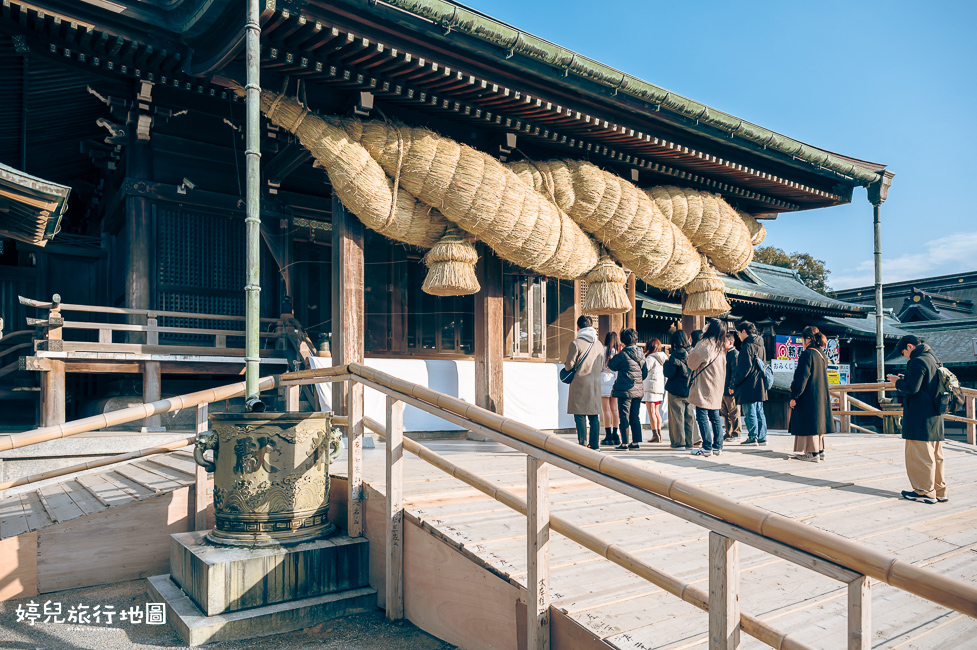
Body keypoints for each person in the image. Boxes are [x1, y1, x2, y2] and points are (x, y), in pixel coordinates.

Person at [887, 335, 948, 504]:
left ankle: (924, 491)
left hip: (919, 417)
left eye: (904, 352)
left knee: (920, 456)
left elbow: (912, 389)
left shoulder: (916, 361)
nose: (905, 355)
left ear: (910, 346)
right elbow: (925, 385)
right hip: (934, 415)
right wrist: (906, 378)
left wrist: (896, 381)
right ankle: (940, 490)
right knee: (936, 456)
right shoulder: (933, 358)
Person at [788, 326, 834, 462]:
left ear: (808, 338)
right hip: (820, 395)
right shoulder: (821, 354)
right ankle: (820, 450)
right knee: (817, 422)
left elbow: (801, 378)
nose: (802, 341)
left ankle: (812, 453)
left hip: (808, 395)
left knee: (809, 423)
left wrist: (794, 396)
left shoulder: (807, 354)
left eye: (802, 338)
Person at [687, 319, 728, 457]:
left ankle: (706, 447)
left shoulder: (705, 344)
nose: (706, 326)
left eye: (708, 324)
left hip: (705, 384)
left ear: (711, 328)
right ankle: (718, 446)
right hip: (717, 385)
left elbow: (691, 363)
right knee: (715, 416)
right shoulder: (720, 346)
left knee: (702, 415)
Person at [564, 315, 605, 450]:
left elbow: (569, 365)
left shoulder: (576, 343)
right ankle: (594, 444)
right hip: (595, 384)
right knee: (594, 415)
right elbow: (603, 365)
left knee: (580, 414)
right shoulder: (598, 344)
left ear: (578, 327)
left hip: (580, 383)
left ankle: (582, 443)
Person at [607, 328, 647, 451]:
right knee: (635, 415)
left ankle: (624, 443)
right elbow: (644, 373)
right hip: (638, 389)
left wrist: (617, 353)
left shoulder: (623, 354)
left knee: (624, 415)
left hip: (625, 389)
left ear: (623, 340)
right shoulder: (642, 354)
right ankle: (635, 442)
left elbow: (611, 365)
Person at [733, 320, 768, 446]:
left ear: (744, 331)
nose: (738, 336)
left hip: (749, 384)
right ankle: (762, 437)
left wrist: (735, 382)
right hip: (760, 382)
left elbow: (744, 369)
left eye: (738, 333)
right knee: (759, 411)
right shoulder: (761, 345)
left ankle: (753, 437)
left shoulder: (747, 346)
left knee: (750, 411)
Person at [664, 330, 696, 449]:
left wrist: (666, 364)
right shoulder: (692, 353)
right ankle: (689, 442)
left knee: (677, 417)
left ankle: (679, 443)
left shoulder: (674, 355)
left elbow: (670, 373)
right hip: (690, 390)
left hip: (675, 390)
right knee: (689, 417)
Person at [643, 338, 668, 443]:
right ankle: (659, 434)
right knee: (657, 412)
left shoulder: (650, 358)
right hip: (659, 387)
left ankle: (655, 434)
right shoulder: (663, 358)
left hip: (650, 387)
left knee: (651, 411)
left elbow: (644, 371)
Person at [600, 332, 623, 446]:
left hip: (604, 379)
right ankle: (616, 434)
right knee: (615, 409)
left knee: (606, 410)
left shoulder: (602, 351)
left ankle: (608, 435)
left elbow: (599, 366)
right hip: (614, 380)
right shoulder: (618, 353)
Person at [721, 332, 741, 440]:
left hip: (730, 388)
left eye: (724, 342)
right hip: (723, 387)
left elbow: (735, 372)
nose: (722, 344)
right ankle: (728, 432)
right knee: (725, 412)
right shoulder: (725, 353)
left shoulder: (734, 354)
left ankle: (736, 432)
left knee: (733, 411)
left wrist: (732, 386)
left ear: (731, 342)